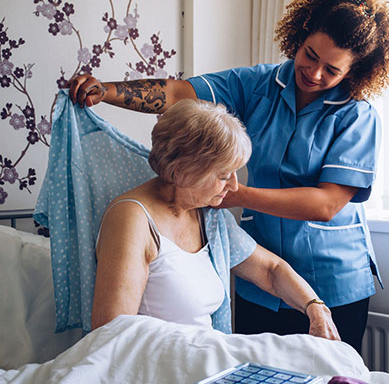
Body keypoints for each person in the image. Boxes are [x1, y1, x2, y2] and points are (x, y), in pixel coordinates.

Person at [71, 0, 389, 351]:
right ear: (300, 36)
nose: (314, 73)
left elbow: (326, 204)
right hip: (260, 278)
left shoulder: (357, 116)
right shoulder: (256, 85)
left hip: (333, 281)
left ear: (354, 72)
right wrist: (107, 92)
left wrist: (229, 192)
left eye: (332, 70)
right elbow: (179, 94)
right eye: (310, 55)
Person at [91, 98, 340, 343]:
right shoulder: (132, 219)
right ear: (182, 171)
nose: (234, 186)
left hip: (204, 355)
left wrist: (315, 307)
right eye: (223, 176)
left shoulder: (208, 216)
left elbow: (270, 270)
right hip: (160, 361)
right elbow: (111, 334)